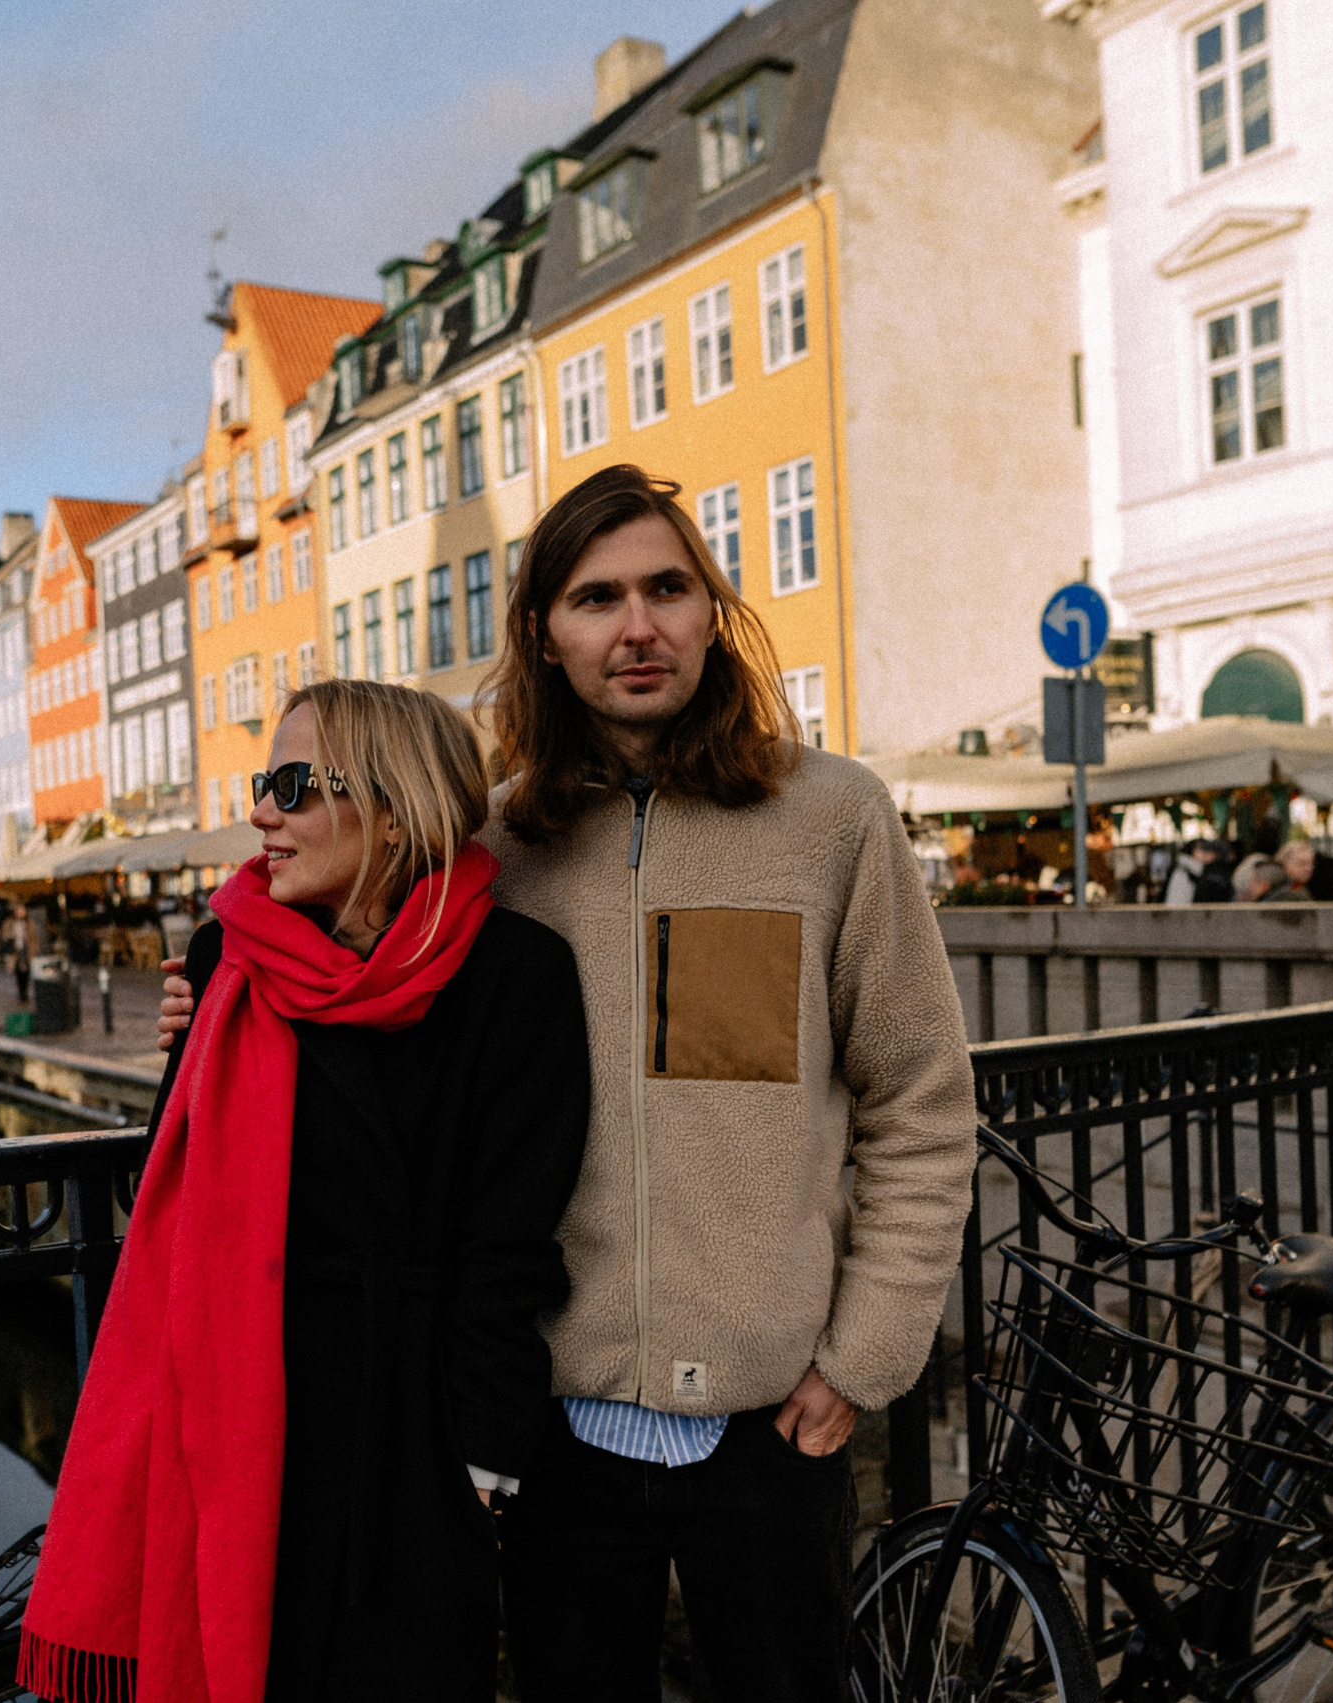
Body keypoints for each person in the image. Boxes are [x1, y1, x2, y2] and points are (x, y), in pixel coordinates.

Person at [162, 463, 975, 1699]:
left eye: (667, 588)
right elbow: (354, 1005)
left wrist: (861, 1356)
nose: (636, 626)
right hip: (554, 1430)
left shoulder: (832, 818)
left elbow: (920, 1103)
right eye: (596, 599)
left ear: (711, 611)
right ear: (545, 633)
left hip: (767, 1417)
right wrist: (208, 1002)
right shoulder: (494, 843)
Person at [21, 679, 590, 1703]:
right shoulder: (227, 958)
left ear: (392, 808)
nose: (260, 814)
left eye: (291, 787)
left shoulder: (516, 973)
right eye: (262, 784)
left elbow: (508, 1243)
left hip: (412, 1435)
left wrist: (481, 1464)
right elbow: (172, 1186)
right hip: (241, 1415)